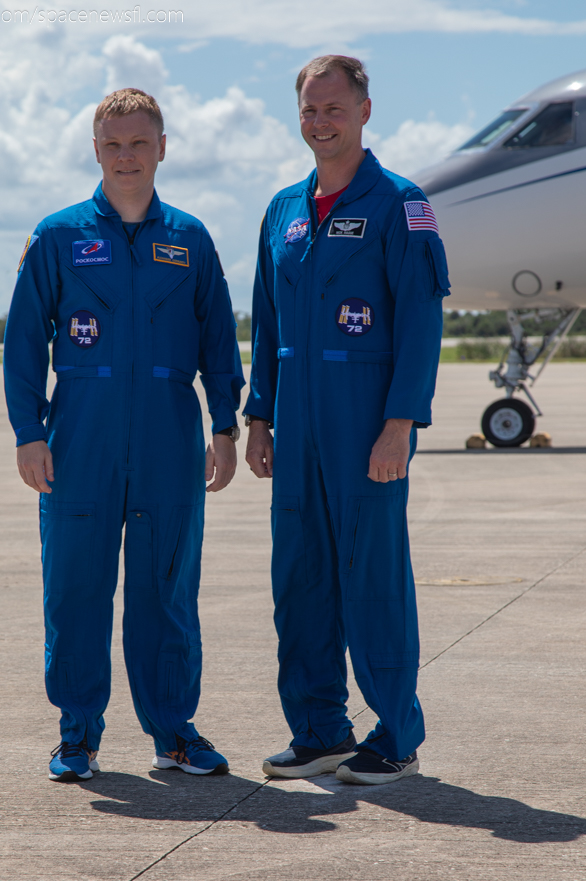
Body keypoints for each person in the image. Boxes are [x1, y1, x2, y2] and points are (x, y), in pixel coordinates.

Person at [3, 88, 244, 782]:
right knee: (75, 588)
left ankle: (173, 731)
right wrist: (29, 430)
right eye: (113, 144)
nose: (127, 157)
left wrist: (223, 424)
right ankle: (76, 734)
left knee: (166, 592)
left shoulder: (190, 240)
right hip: (81, 436)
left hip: (170, 437)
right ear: (95, 150)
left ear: (163, 147)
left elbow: (218, 342)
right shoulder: (57, 236)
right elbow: (24, 343)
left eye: (140, 143)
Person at [244, 56, 449, 785]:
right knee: (298, 576)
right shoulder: (281, 212)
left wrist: (402, 422)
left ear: (365, 111)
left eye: (333, 107)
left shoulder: (402, 204)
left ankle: (395, 733)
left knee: (373, 576)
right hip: (294, 424)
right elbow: (267, 325)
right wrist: (258, 414)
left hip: (366, 420)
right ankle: (319, 731)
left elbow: (422, 321)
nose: (320, 121)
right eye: (309, 109)